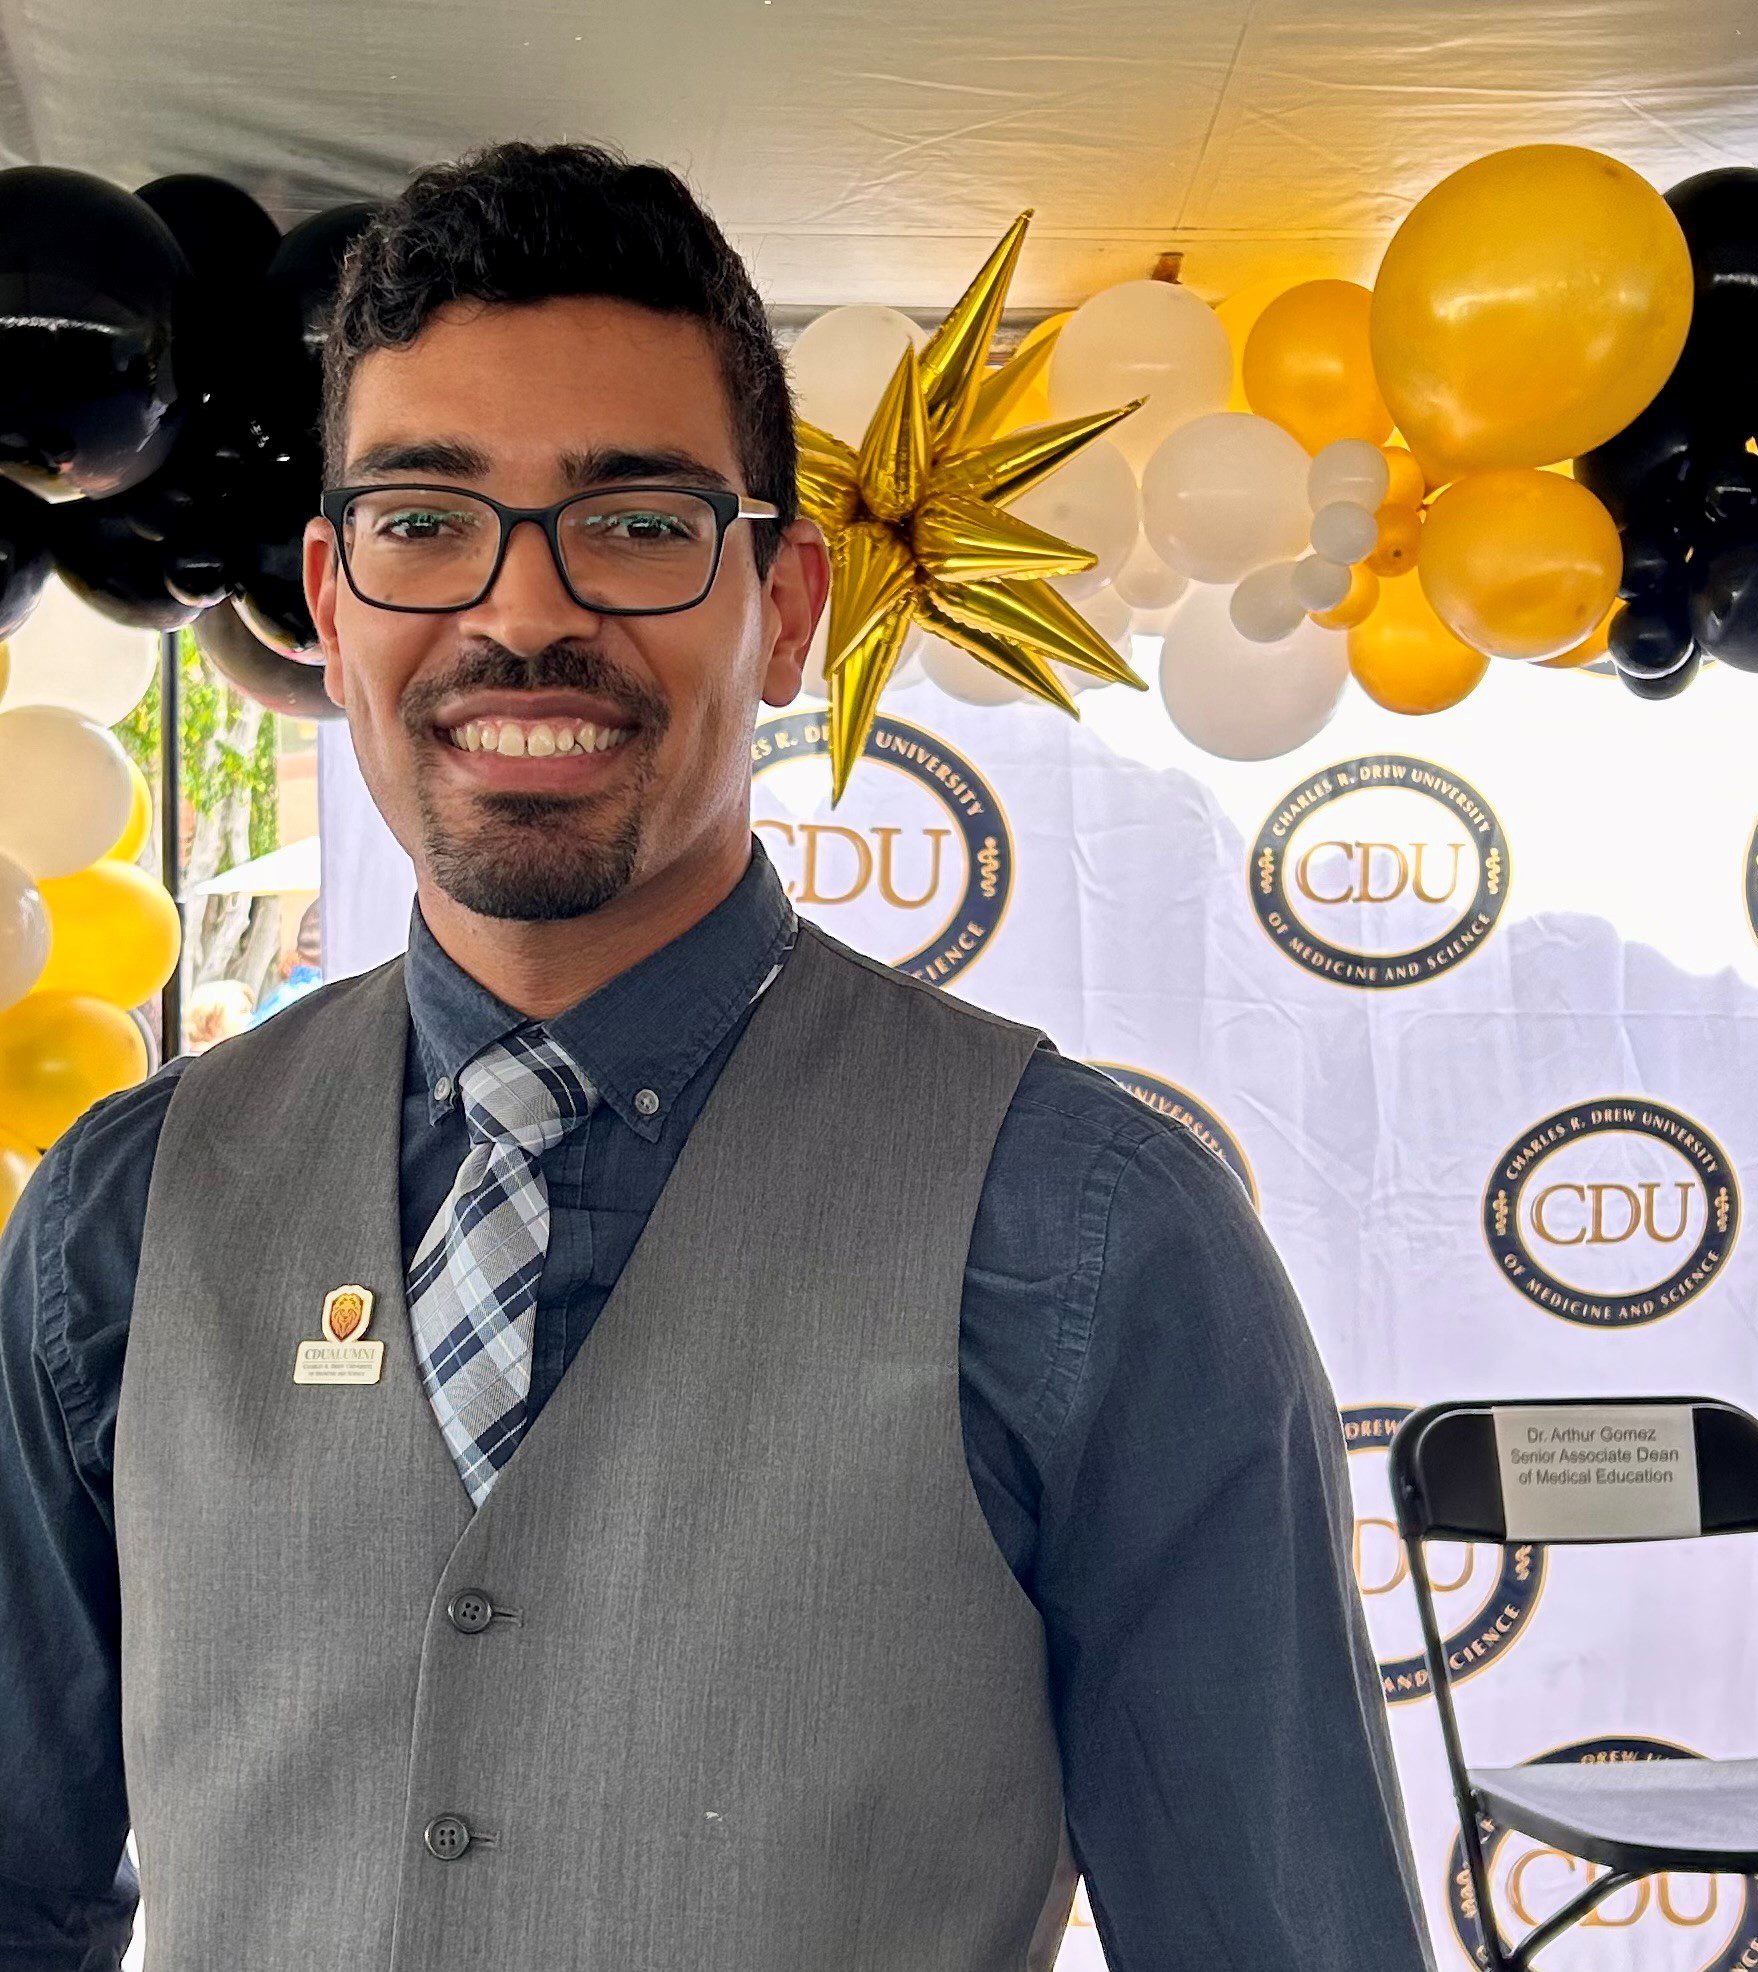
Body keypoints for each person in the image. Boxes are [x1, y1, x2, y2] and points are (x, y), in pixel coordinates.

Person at [0, 142, 1433, 1971]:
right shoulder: (117, 1226)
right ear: (331, 604)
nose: (520, 612)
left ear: (788, 608)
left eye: (639, 522)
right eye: (425, 519)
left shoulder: (1090, 1235)